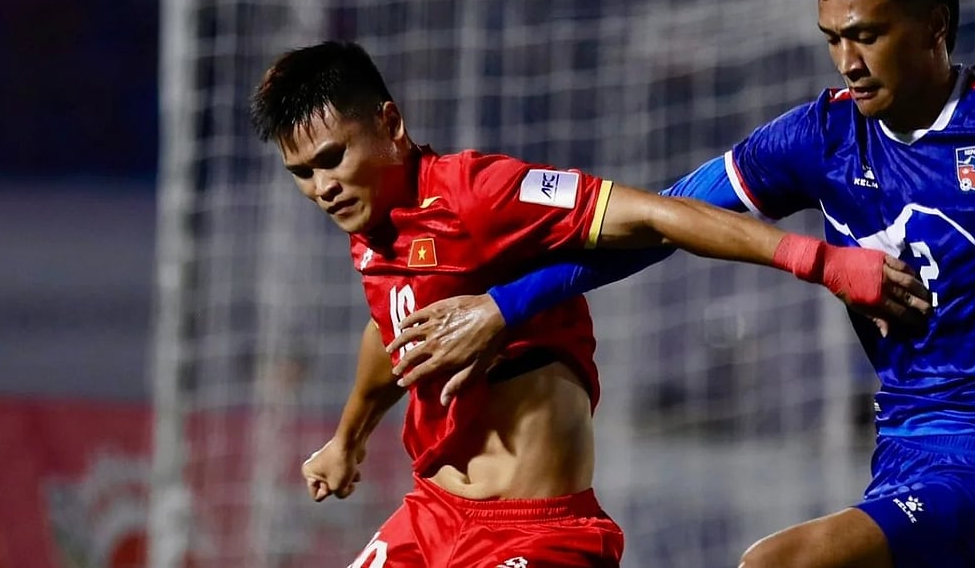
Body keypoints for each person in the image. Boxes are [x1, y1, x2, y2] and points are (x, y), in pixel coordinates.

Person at [383, 0, 975, 568]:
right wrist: (504, 305)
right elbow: (658, 221)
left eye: (867, 34)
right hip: (899, 459)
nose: (848, 61)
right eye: (833, 37)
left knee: (777, 563)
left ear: (934, 25)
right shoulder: (819, 139)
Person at [249, 41, 931, 568]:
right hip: (433, 515)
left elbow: (659, 216)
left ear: (390, 123)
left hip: (536, 532)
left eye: (332, 158)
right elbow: (391, 329)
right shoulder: (374, 235)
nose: (321, 187)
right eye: (302, 173)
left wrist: (821, 260)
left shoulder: (479, 194)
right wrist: (348, 439)